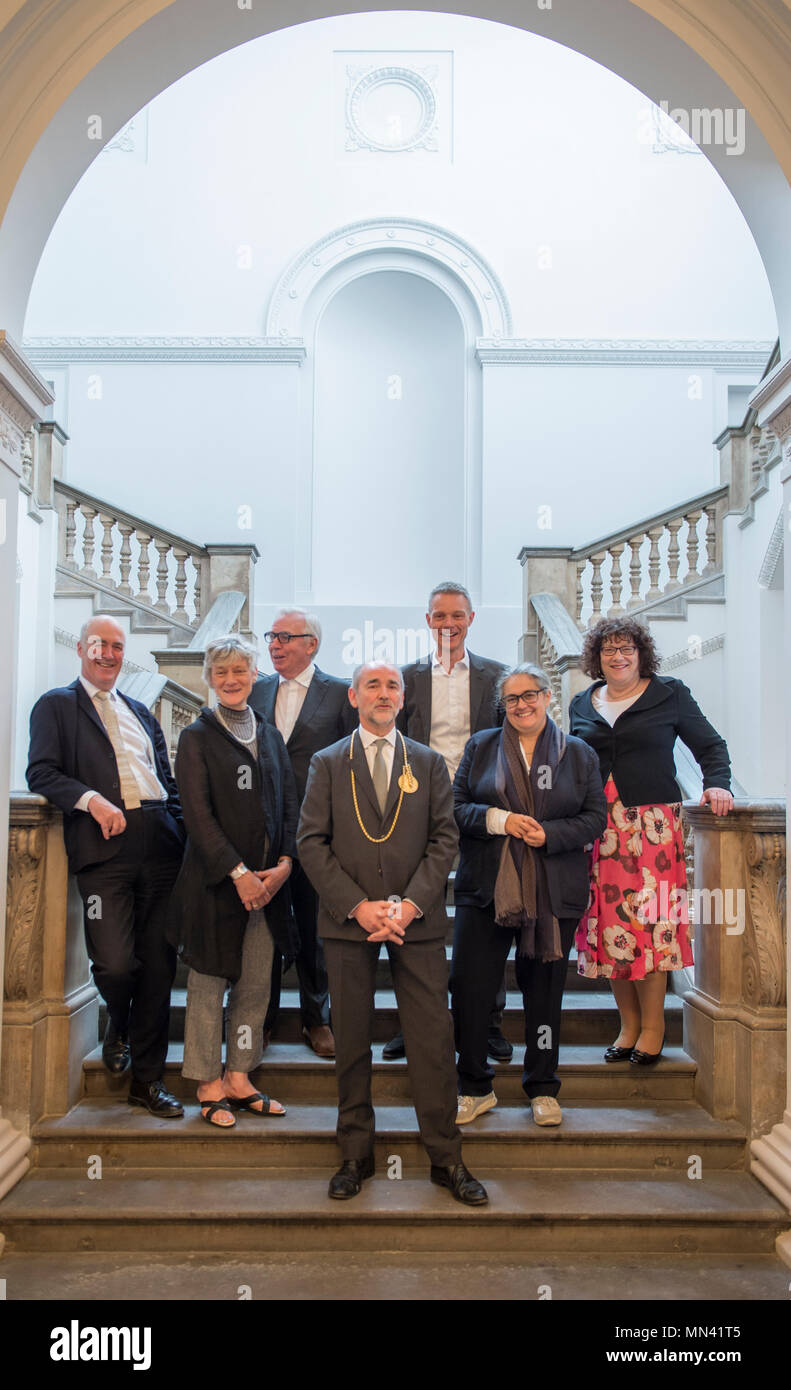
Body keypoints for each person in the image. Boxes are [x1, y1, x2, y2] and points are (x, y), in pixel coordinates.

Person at [297, 661, 487, 1205]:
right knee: (352, 1039)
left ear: (403, 698)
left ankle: (446, 1158)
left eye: (393, 686)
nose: (384, 693)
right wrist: (358, 906)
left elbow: (444, 840)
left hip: (416, 924)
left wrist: (407, 907)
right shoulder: (328, 762)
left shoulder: (427, 763)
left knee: (432, 1041)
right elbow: (311, 842)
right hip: (347, 923)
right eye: (373, 685)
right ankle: (355, 1154)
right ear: (354, 696)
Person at [26, 615, 185, 1117]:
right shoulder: (56, 706)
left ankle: (148, 1080)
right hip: (104, 852)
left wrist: (180, 831)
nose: (108, 654)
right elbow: (41, 771)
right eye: (99, 645)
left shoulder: (142, 710)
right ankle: (118, 1020)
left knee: (159, 968)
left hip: (161, 844)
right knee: (116, 963)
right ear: (80, 648)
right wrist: (91, 800)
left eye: (117, 647)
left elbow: (166, 778)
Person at [569, 617, 733, 1064]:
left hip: (654, 832)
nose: (618, 657)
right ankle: (628, 1026)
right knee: (608, 931)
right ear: (596, 658)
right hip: (599, 833)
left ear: (641, 653)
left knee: (653, 928)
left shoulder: (669, 693)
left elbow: (711, 747)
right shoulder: (582, 702)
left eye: (626, 649)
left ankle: (654, 1027)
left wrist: (719, 784)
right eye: (608, 650)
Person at [451, 663, 606, 1127]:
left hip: (553, 890)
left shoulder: (578, 753)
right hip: (486, 887)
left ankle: (542, 1086)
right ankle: (474, 1085)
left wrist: (549, 834)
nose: (522, 705)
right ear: (505, 705)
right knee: (471, 989)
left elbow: (595, 817)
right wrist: (500, 821)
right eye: (513, 699)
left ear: (547, 697)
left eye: (530, 695)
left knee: (543, 995)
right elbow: (457, 808)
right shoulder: (480, 746)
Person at [168, 634, 297, 1126]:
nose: (230, 680)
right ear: (209, 678)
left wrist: (283, 863)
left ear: (253, 675)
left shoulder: (269, 734)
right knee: (208, 982)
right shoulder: (197, 737)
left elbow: (288, 805)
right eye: (221, 673)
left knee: (254, 986)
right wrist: (239, 874)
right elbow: (197, 817)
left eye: (239, 671)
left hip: (268, 889)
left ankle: (240, 1076)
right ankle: (206, 1081)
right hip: (215, 886)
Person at [385, 580, 510, 1062]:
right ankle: (414, 1020)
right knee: (413, 915)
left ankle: (488, 1022)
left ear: (471, 619)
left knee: (489, 915)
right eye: (440, 616)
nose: (449, 624)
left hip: (480, 809)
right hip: (417, 808)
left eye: (457, 615)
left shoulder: (497, 677)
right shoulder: (405, 678)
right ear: (428, 621)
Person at [248, 609, 355, 1059]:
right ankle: (261, 1019)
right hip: (264, 830)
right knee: (265, 931)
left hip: (318, 830)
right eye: (271, 636)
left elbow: (353, 761)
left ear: (311, 643)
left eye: (285, 637)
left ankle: (317, 1018)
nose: (274, 644)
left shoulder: (338, 693)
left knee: (314, 929)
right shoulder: (255, 690)